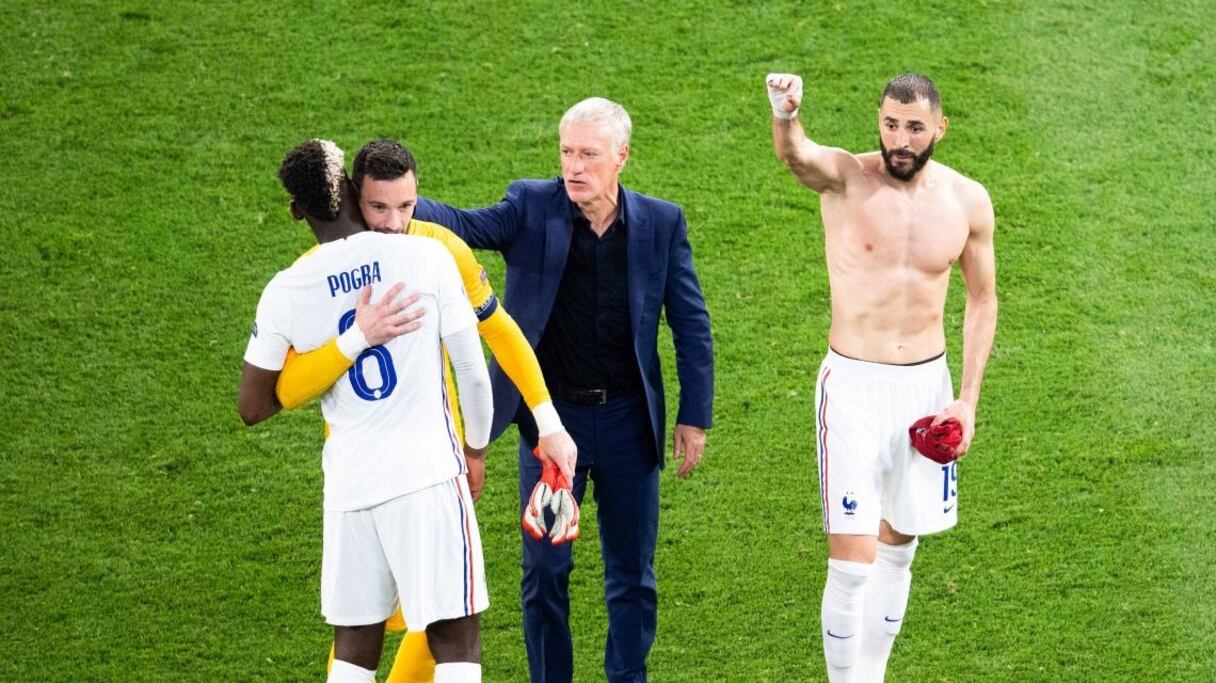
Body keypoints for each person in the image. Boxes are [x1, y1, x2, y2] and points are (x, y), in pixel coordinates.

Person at [414, 97, 715, 683]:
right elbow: (463, 224)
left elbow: (691, 323)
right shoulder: (530, 205)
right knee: (545, 571)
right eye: (567, 152)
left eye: (589, 155)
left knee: (633, 574)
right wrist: (392, 199)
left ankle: (628, 677)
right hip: (551, 428)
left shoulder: (661, 222)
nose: (574, 167)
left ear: (621, 158)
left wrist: (693, 415)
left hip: (631, 425)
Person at [276, 138, 579, 683]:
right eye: (378, 207)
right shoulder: (409, 258)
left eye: (407, 206)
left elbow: (502, 334)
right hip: (401, 470)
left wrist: (541, 424)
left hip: (405, 465)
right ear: (350, 197)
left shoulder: (407, 252)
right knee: (421, 615)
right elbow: (282, 390)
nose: (395, 222)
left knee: (403, 617)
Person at [765, 72, 998, 682]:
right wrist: (785, 114)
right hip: (852, 389)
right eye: (891, 124)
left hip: (926, 390)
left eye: (914, 128)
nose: (900, 139)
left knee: (900, 548)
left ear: (939, 129)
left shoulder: (967, 202)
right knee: (851, 561)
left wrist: (966, 401)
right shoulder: (848, 178)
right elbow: (797, 156)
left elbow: (982, 299)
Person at [238, 139, 493, 683]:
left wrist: (348, 342)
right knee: (455, 637)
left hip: (349, 489)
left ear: (295, 210)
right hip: (427, 477)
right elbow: (472, 371)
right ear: (355, 192)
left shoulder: (285, 290)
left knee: (354, 648)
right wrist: (475, 449)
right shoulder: (424, 257)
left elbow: (253, 406)